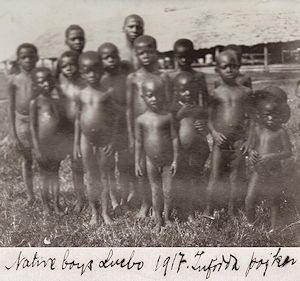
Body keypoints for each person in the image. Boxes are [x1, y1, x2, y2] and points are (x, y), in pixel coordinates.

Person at [126, 35, 171, 218]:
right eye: (141, 52)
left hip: (159, 131)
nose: (145, 55)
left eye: (149, 51)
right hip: (141, 129)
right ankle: (146, 204)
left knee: (161, 171)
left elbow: (168, 103)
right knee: (142, 172)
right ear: (135, 54)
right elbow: (129, 108)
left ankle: (162, 209)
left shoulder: (163, 77)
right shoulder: (133, 78)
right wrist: (130, 134)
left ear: (156, 52)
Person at [204, 50, 252, 218]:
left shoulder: (245, 92)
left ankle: (232, 211)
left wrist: (248, 140)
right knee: (214, 177)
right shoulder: (215, 93)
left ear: (239, 67)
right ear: (217, 70)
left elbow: (251, 119)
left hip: (238, 141)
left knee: (234, 178)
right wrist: (214, 133)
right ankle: (208, 210)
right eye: (224, 67)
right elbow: (209, 118)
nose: (229, 70)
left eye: (233, 66)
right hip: (220, 142)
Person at [73, 51, 118, 225]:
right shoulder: (80, 93)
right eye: (87, 71)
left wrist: (113, 139)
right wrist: (76, 142)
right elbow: (78, 119)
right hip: (86, 140)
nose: (92, 74)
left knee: (105, 176)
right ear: (82, 73)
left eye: (96, 70)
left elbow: (114, 119)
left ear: (102, 70)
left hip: (104, 140)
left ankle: (106, 213)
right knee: (91, 177)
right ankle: (94, 213)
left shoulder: (107, 92)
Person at [135, 76, 178, 233]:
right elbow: (139, 142)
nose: (154, 99)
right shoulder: (141, 120)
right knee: (155, 190)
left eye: (158, 94)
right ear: (143, 96)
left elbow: (174, 138)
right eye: (150, 95)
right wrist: (136, 163)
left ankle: (167, 218)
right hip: (150, 161)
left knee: (168, 190)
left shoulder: (167, 117)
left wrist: (175, 160)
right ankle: (158, 220)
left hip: (167, 161)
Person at [245, 86, 292, 231]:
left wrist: (271, 156)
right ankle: (250, 224)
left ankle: (273, 228)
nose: (271, 119)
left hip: (274, 170)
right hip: (258, 170)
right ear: (260, 115)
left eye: (275, 115)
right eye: (267, 115)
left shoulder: (280, 131)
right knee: (249, 198)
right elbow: (251, 146)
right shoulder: (258, 129)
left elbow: (288, 152)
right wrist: (252, 152)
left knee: (273, 200)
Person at [98, 42, 137, 213]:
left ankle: (124, 200)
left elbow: (129, 107)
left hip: (123, 129)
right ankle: (113, 199)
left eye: (114, 56)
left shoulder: (124, 80)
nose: (111, 60)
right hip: (105, 132)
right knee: (107, 167)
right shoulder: (99, 82)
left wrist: (115, 107)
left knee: (124, 167)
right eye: (106, 58)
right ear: (100, 61)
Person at [173, 72, 210, 224]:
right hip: (179, 152)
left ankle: (191, 213)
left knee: (193, 181)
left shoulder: (199, 108)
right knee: (180, 181)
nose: (187, 93)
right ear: (176, 91)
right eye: (183, 90)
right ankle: (177, 210)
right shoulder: (173, 108)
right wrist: (179, 115)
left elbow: (206, 128)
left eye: (190, 89)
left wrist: (204, 126)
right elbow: (167, 127)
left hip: (197, 151)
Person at [29, 67, 65, 214]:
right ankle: (46, 206)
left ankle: (57, 204)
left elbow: (60, 125)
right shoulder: (35, 103)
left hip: (56, 145)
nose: (46, 84)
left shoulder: (56, 101)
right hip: (42, 146)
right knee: (44, 176)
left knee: (55, 174)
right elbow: (32, 127)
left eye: (48, 80)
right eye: (41, 82)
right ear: (35, 86)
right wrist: (36, 148)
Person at [8, 43, 39, 206]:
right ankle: (30, 196)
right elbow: (11, 107)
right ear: (18, 60)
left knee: (43, 159)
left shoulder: (42, 77)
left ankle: (48, 196)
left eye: (31, 56)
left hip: (39, 123)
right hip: (21, 122)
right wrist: (13, 133)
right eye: (24, 57)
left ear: (37, 58)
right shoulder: (14, 80)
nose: (28, 60)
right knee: (26, 160)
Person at [57, 50, 86, 212]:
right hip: (65, 129)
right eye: (64, 66)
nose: (68, 68)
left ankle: (87, 198)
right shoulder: (58, 85)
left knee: (82, 163)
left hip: (82, 128)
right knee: (73, 164)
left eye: (72, 65)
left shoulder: (83, 83)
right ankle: (80, 198)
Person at [171, 39, 209, 108]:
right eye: (180, 57)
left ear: (192, 56)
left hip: (194, 113)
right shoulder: (171, 77)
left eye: (186, 56)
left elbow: (205, 99)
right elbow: (169, 100)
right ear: (175, 57)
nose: (184, 60)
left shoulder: (199, 76)